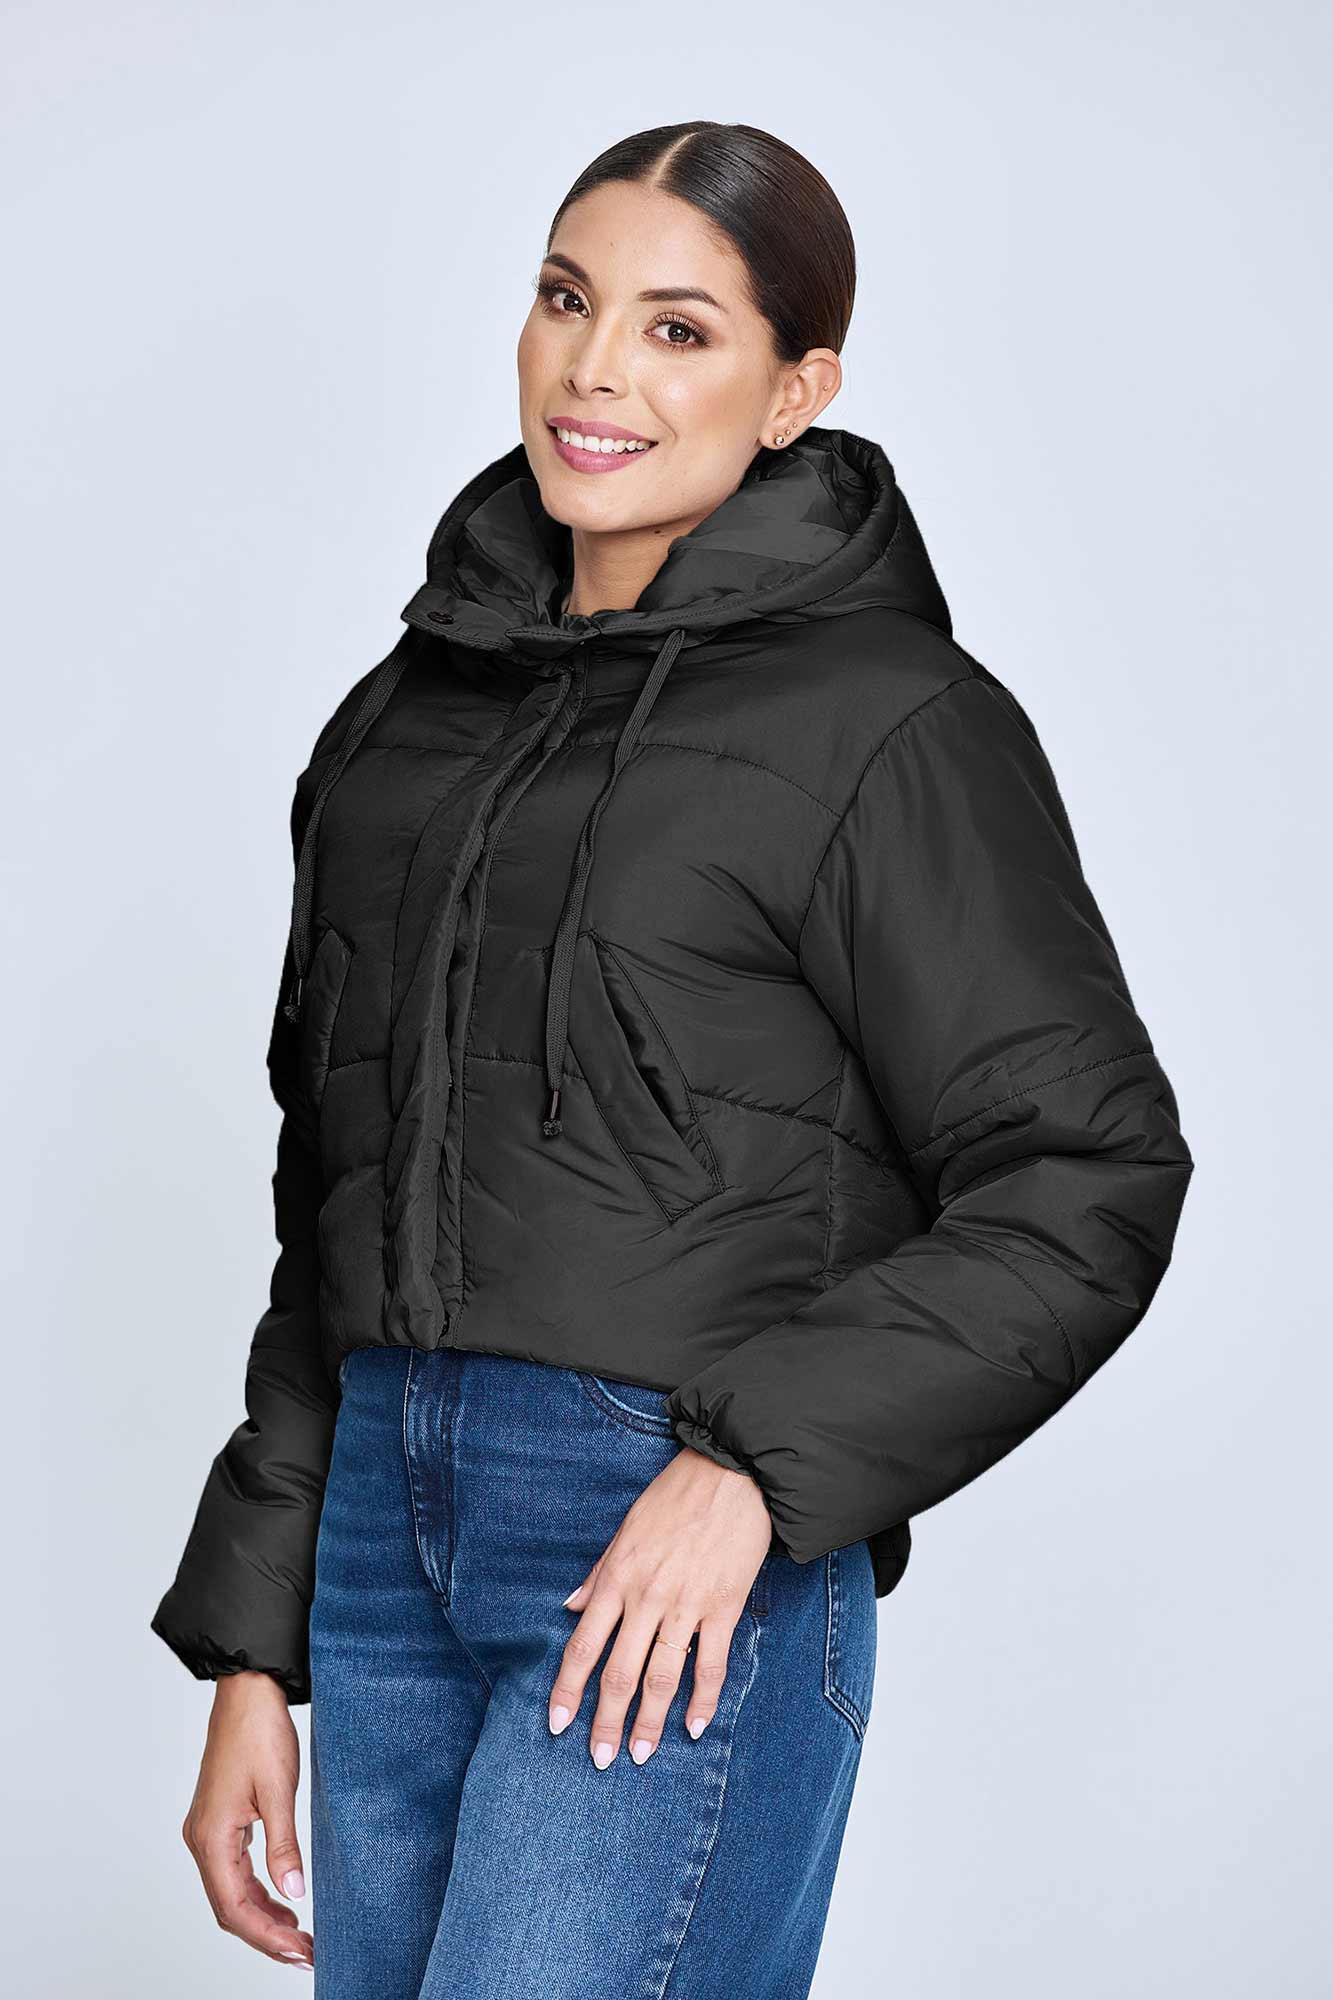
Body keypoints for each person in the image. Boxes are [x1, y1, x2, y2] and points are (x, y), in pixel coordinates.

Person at [151, 121, 1194, 1996]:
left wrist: (750, 1474)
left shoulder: (892, 723)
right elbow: (340, 1204)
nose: (596, 370)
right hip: (382, 1541)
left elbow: (1083, 1175)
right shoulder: (400, 728)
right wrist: (256, 1646)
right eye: (567, 300)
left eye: (679, 328)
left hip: (667, 1542)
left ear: (796, 391)